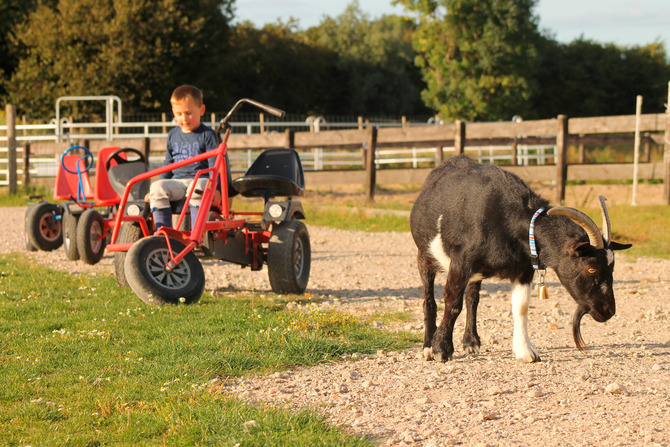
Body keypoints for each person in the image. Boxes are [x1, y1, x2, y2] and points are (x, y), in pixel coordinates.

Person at [148, 85, 230, 232]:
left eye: (188, 113)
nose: (184, 118)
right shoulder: (173, 134)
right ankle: (164, 232)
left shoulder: (208, 135)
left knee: (196, 188)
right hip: (178, 182)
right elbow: (168, 163)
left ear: (202, 110)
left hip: (201, 181)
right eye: (179, 114)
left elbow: (215, 164)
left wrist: (215, 189)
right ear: (173, 112)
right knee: (156, 188)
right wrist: (159, 184)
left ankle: (196, 232)